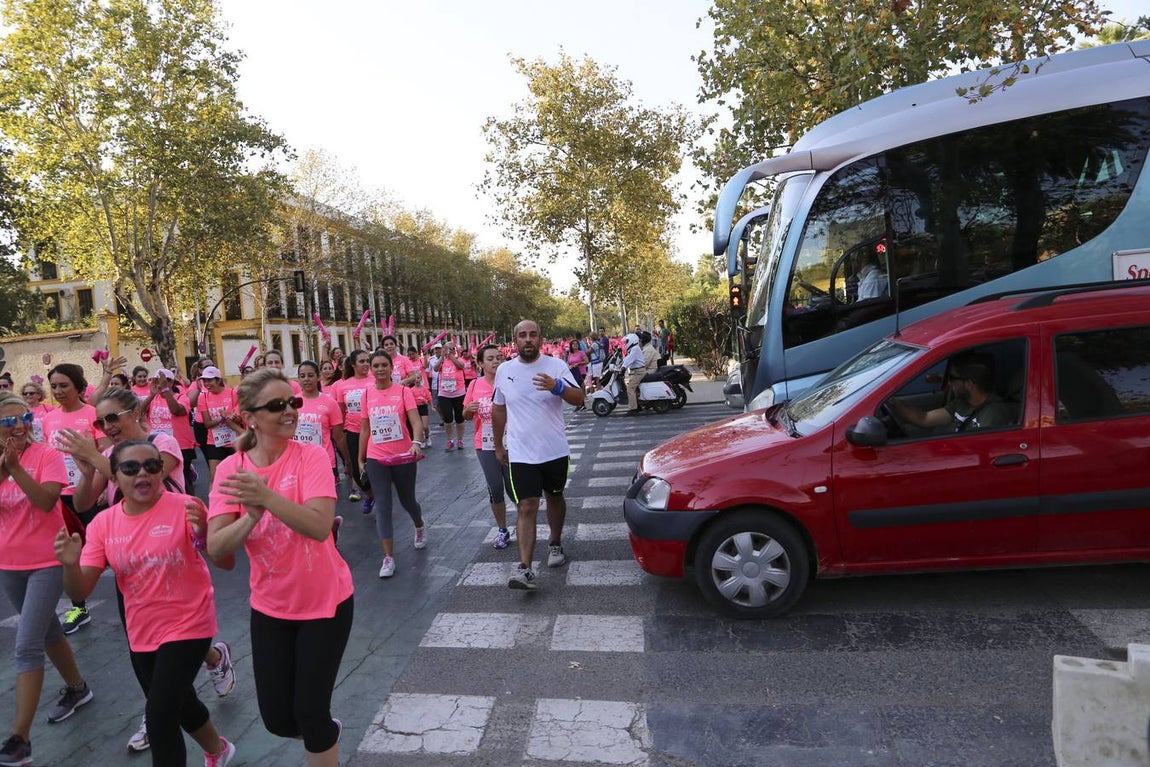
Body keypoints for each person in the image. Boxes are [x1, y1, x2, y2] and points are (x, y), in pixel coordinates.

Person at [55, 439, 236, 767]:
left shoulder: (186, 506)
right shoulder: (104, 524)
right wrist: (70, 564)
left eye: (152, 466)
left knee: (160, 716)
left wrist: (206, 534)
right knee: (178, 703)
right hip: (142, 629)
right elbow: (80, 586)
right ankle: (218, 749)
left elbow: (225, 563)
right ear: (115, 476)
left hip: (190, 623)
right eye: (131, 467)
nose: (144, 473)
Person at [206, 369, 352, 767]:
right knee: (277, 720)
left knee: (310, 711)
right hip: (270, 606)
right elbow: (218, 548)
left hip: (326, 601)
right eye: (277, 405)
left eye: (293, 402)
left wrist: (267, 497)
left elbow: (319, 526)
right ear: (249, 416)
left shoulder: (311, 456)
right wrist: (250, 517)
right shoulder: (230, 470)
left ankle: (322, 732)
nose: (290, 410)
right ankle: (325, 731)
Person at [0, 392, 94, 767]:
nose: (18, 426)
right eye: (8, 421)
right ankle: (78, 689)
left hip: (48, 559)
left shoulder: (48, 456)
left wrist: (16, 469)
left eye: (22, 418)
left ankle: (20, 739)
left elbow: (45, 502)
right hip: (9, 564)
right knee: (50, 631)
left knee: (27, 645)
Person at [492, 320, 584, 590]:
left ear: (540, 338)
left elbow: (579, 398)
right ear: (515, 340)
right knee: (527, 505)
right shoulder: (505, 370)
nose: (528, 339)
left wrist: (557, 387)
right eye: (522, 335)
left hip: (554, 449)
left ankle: (555, 544)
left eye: (533, 335)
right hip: (520, 451)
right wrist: (499, 445)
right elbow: (499, 409)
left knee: (554, 496)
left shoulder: (556, 366)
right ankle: (525, 569)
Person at [40, 363, 105, 634]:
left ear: (79, 386)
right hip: (60, 496)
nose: (58, 391)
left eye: (64, 385)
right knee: (70, 553)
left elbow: (104, 452)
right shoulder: (48, 419)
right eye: (54, 386)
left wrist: (100, 488)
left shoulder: (94, 414)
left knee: (103, 552)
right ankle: (79, 606)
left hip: (89, 494)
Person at [357, 351, 426, 578]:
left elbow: (415, 421)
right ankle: (388, 558)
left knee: (407, 501)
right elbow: (365, 429)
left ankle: (418, 523)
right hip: (377, 457)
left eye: (384, 365)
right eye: (375, 365)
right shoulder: (366, 395)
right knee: (383, 505)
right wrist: (361, 457)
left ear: (391, 368)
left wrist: (416, 443)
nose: (379, 369)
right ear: (371, 369)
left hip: (404, 456)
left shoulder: (403, 391)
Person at [463, 345, 514, 549]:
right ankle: (502, 530)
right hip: (484, 444)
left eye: (498, 357)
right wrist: (468, 409)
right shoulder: (474, 385)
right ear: (481, 364)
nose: (495, 361)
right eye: (490, 358)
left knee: (515, 489)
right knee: (495, 489)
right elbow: (465, 415)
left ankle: (526, 524)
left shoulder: (510, 382)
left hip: (511, 443)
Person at [887, 353, 1014, 432]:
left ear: (969, 384)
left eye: (952, 378)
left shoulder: (994, 413)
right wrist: (893, 402)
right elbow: (924, 418)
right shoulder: (961, 404)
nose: (949, 383)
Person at [189, 366, 243, 486]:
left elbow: (239, 420)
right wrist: (221, 418)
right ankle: (213, 504)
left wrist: (234, 418)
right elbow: (207, 424)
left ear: (218, 380)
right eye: (205, 381)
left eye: (210, 380)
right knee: (214, 477)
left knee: (238, 476)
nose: (207, 384)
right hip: (214, 442)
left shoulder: (232, 393)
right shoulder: (204, 397)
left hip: (234, 441)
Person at [332, 350, 372, 508]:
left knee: (375, 468)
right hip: (353, 431)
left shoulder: (375, 380)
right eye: (362, 361)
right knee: (356, 469)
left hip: (374, 432)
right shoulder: (344, 385)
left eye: (367, 361)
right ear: (353, 364)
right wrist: (341, 432)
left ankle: (379, 497)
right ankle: (370, 494)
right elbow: (341, 411)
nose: (366, 364)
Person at [436, 341, 467, 451]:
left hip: (458, 392)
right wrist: (442, 357)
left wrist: (451, 356)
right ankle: (450, 440)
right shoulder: (442, 361)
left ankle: (460, 440)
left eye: (451, 349)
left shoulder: (458, 359)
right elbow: (435, 368)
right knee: (448, 418)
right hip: (444, 393)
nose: (449, 351)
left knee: (459, 418)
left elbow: (461, 366)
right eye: (446, 349)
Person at [622, 332, 657, 416]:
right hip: (637, 372)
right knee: (634, 388)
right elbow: (627, 359)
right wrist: (621, 364)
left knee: (630, 388)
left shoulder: (635, 349)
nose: (626, 343)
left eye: (627, 342)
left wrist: (623, 368)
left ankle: (633, 409)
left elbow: (630, 360)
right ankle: (638, 405)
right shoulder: (634, 349)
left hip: (638, 372)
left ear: (631, 341)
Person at [565, 339, 588, 410]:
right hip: (573, 372)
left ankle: (580, 404)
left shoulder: (581, 353)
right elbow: (568, 362)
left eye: (576, 344)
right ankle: (581, 404)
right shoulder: (570, 354)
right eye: (573, 344)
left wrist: (578, 363)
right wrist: (569, 366)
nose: (575, 345)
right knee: (577, 387)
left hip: (581, 372)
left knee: (577, 387)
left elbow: (587, 361)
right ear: (571, 346)